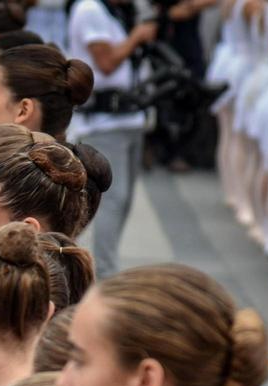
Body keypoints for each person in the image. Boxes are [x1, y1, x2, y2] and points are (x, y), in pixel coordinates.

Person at [66, 0, 156, 276]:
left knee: (125, 198)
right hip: (103, 123)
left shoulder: (116, 11)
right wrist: (137, 37)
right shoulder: (90, 8)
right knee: (111, 200)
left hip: (128, 117)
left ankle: (98, 266)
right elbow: (105, 63)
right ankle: (102, 272)